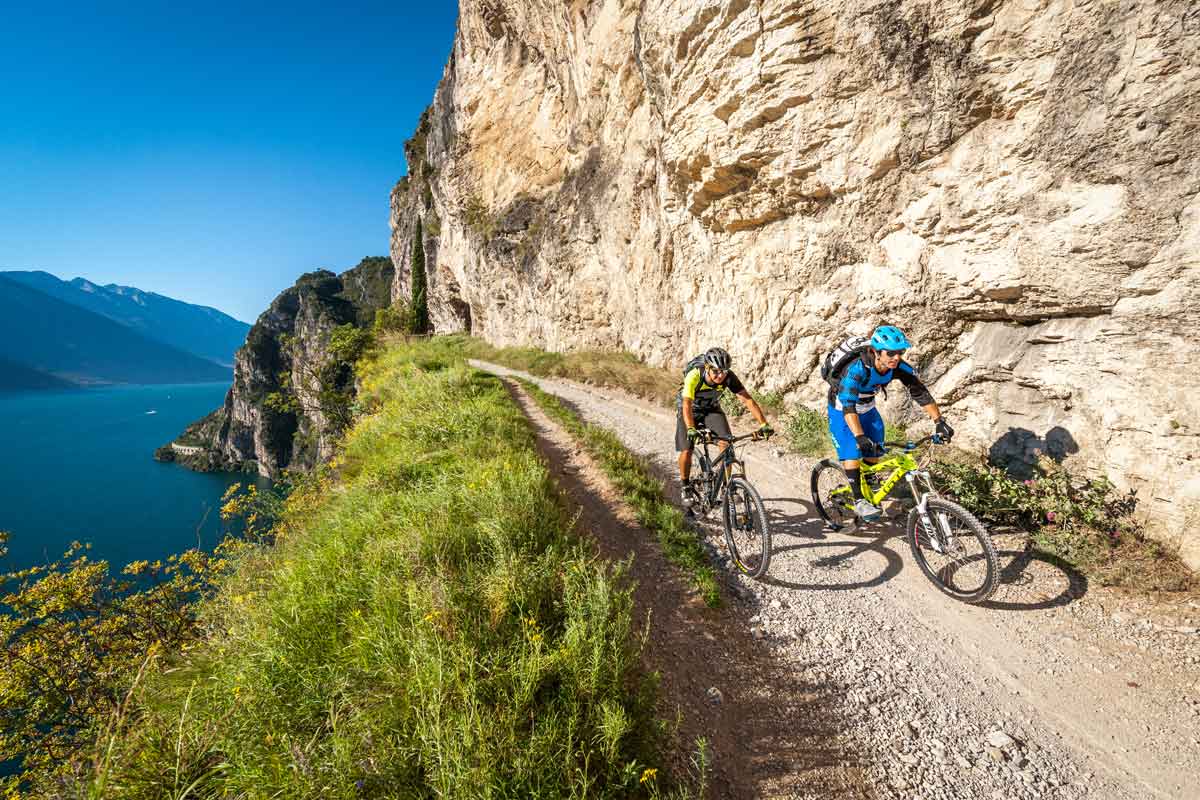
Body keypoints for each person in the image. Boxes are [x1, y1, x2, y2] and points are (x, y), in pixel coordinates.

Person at [827, 325, 953, 521]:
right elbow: (848, 407)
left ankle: (869, 479)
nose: (896, 357)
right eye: (891, 353)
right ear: (876, 352)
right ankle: (859, 500)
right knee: (852, 449)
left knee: (876, 448)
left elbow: (919, 392)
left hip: (868, 407)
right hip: (842, 410)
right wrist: (859, 437)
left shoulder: (898, 367)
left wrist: (939, 421)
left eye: (900, 352)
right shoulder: (856, 370)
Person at [677, 347, 774, 508]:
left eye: (724, 371)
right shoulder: (695, 374)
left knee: (726, 444)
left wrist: (764, 424)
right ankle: (685, 486)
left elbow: (747, 400)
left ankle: (727, 487)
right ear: (707, 368)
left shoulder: (728, 377)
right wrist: (691, 429)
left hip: (711, 409)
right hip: (690, 410)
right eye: (716, 371)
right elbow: (686, 403)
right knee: (687, 448)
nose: (720, 375)